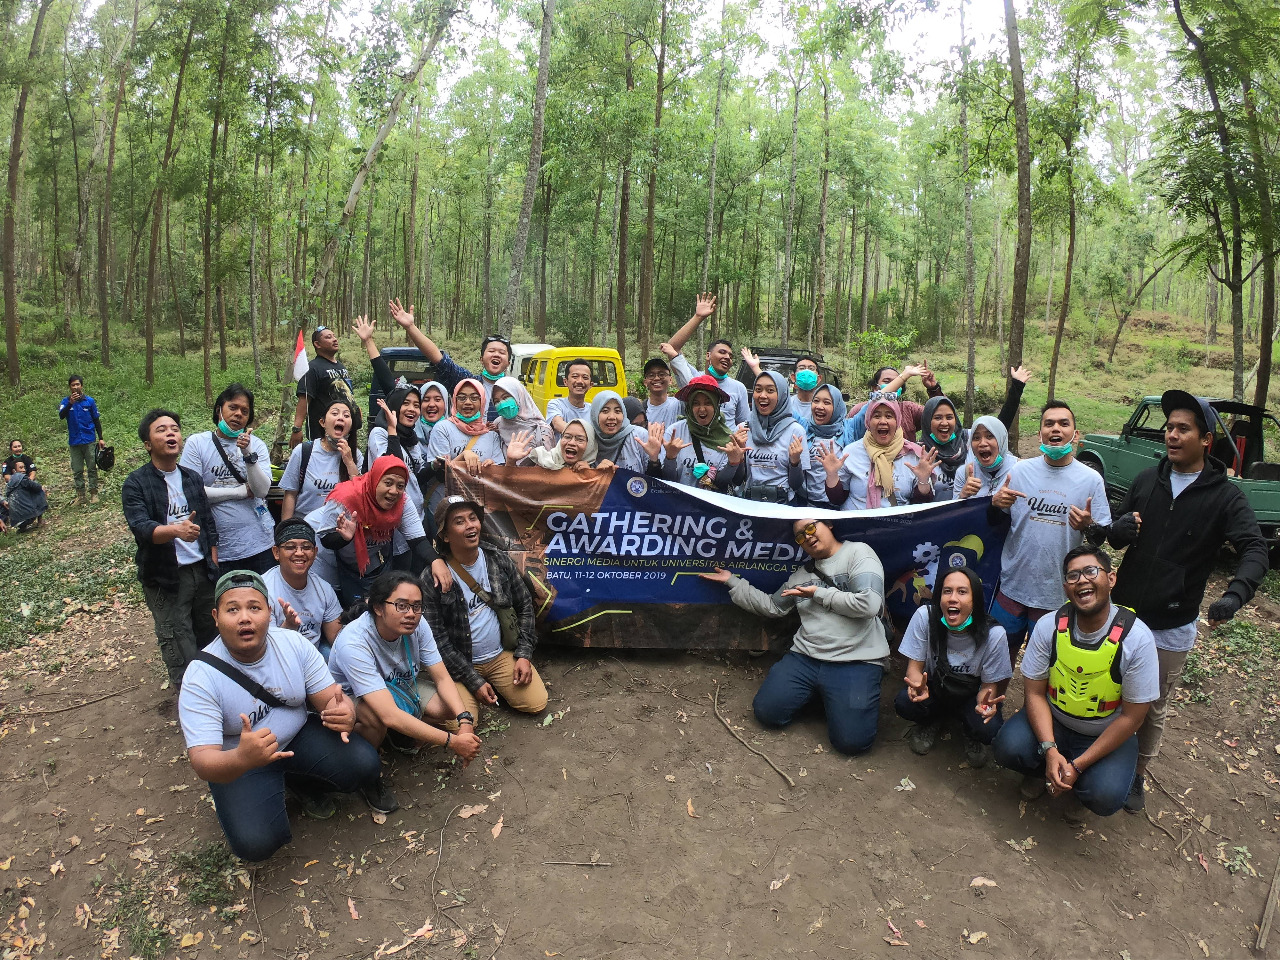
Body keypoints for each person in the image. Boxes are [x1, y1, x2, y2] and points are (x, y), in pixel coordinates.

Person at [1108, 390, 1268, 811]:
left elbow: (1254, 548)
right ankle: (1101, 757)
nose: (1172, 436)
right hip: (1122, 614)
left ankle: (1137, 776)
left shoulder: (1225, 497)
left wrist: (1235, 596)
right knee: (1108, 690)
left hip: (1171, 626)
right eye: (1169, 428)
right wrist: (1117, 531)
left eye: (1183, 429)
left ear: (1205, 440)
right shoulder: (1146, 480)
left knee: (1150, 707)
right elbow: (1115, 531)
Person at [178, 570, 379, 857]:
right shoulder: (201, 677)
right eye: (232, 609)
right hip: (241, 762)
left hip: (298, 738)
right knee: (256, 845)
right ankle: (260, 791)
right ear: (216, 617)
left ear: (269, 613)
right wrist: (241, 757)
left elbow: (331, 699)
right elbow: (202, 761)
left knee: (364, 764)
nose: (244, 617)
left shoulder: (292, 643)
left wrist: (345, 714)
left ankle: (298, 781)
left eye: (254, 607)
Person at [992, 547, 1159, 818]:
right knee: (1007, 747)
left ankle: (1079, 786)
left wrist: (1078, 766)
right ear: (1065, 587)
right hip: (1054, 720)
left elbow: (1133, 717)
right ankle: (1045, 770)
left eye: (1091, 571)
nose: (1081, 580)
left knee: (1105, 795)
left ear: (1111, 579)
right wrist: (1049, 750)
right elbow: (1033, 694)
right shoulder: (1049, 626)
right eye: (1072, 576)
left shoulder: (1137, 639)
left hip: (1105, 731)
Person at [700, 518, 888, 755]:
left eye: (811, 528)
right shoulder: (801, 575)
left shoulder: (859, 553)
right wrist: (732, 582)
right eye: (800, 536)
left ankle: (837, 700)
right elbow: (772, 606)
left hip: (856, 659)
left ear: (828, 524)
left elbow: (869, 604)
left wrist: (818, 594)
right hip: (806, 658)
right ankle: (826, 696)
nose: (807, 536)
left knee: (852, 743)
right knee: (767, 712)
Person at [329, 571, 482, 813]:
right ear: (379, 608)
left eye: (416, 606)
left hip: (399, 686)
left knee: (447, 707)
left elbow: (442, 677)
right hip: (357, 699)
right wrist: (452, 741)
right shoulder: (354, 642)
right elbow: (388, 713)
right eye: (401, 606)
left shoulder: (419, 626)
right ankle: (366, 772)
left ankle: (399, 735)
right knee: (377, 717)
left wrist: (464, 720)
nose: (411, 614)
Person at [989, 401, 1111, 663]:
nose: (1056, 429)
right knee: (998, 654)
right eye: (1049, 423)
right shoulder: (1019, 471)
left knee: (1046, 662)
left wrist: (1088, 526)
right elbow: (997, 522)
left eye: (1064, 423)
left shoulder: (1090, 480)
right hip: (1013, 585)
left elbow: (1101, 537)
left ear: (1075, 435)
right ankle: (992, 704)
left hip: (1057, 593)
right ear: (1040, 433)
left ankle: (1033, 706)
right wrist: (995, 504)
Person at [423, 496, 548, 724]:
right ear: (445, 535)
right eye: (459, 521)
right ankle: (457, 690)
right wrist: (473, 680)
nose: (470, 525)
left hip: (500, 655)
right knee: (460, 722)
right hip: (461, 664)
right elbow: (436, 639)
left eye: (473, 518)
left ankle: (498, 683)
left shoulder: (497, 559)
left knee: (536, 703)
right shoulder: (431, 578)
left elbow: (524, 605)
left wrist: (524, 654)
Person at [122, 409, 220, 692]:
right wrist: (176, 530)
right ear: (147, 444)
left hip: (201, 571)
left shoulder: (190, 477)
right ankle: (191, 697)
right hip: (165, 575)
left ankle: (218, 689)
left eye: (175, 428)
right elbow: (141, 528)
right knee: (178, 639)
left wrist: (211, 563)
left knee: (210, 632)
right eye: (161, 430)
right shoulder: (136, 483)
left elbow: (208, 524)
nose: (170, 434)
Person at [894, 566, 1011, 766]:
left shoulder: (994, 634)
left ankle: (969, 730)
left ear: (975, 600)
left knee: (989, 729)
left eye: (962, 592)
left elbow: (988, 687)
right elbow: (914, 669)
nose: (952, 598)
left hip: (970, 694)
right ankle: (932, 719)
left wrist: (984, 704)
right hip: (934, 688)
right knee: (905, 702)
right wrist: (917, 687)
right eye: (947, 591)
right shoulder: (925, 616)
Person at [305, 456, 449, 607]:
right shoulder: (344, 498)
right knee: (332, 596)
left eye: (400, 486)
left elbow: (417, 540)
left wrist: (437, 561)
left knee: (372, 598)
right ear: (375, 480)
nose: (394, 491)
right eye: (388, 483)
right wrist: (344, 538)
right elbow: (326, 540)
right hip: (325, 541)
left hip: (362, 548)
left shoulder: (403, 502)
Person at [180, 384, 275, 576]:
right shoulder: (198, 444)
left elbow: (262, 490)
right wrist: (238, 492)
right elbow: (193, 492)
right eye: (233, 407)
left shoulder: (257, 445)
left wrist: (247, 453)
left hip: (261, 543)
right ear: (219, 410)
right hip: (221, 549)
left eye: (245, 411)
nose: (238, 414)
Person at [387, 298, 512, 415]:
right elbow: (439, 360)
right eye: (491, 351)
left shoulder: (515, 391)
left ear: (508, 363)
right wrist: (410, 327)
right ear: (481, 359)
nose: (496, 354)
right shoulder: (467, 382)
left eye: (501, 352)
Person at [822, 398, 940, 509]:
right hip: (857, 526)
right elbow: (837, 500)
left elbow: (921, 505)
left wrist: (923, 480)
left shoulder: (913, 454)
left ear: (897, 421)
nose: (883, 421)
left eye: (889, 416)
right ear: (868, 421)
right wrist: (832, 475)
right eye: (876, 416)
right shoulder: (851, 452)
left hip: (899, 526)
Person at [659, 294, 751, 426]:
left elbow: (743, 422)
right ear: (708, 356)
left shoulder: (738, 387)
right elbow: (672, 348)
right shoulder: (692, 376)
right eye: (722, 352)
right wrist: (698, 317)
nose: (727, 358)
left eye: (731, 356)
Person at [262, 519, 344, 660]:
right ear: (276, 552)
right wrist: (288, 627)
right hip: (277, 660)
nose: (299, 553)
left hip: (313, 659)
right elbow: (264, 649)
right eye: (290, 547)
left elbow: (337, 638)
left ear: (315, 552)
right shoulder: (262, 590)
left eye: (306, 547)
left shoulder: (324, 589)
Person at [279, 398, 362, 521]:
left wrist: (350, 463)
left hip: (340, 531)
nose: (340, 418)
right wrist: (286, 532)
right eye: (334, 413)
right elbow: (290, 494)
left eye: (346, 415)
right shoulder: (303, 451)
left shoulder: (356, 455)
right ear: (322, 422)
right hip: (305, 531)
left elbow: (360, 497)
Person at [659, 375, 748, 491]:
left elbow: (722, 485)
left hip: (710, 506)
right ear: (689, 406)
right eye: (695, 403)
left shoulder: (728, 438)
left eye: (708, 403)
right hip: (678, 503)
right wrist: (670, 458)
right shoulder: (675, 432)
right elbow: (667, 481)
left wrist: (733, 463)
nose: (701, 409)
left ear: (716, 405)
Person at [739, 370, 808, 503]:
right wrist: (736, 459)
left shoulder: (795, 431)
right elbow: (738, 480)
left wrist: (795, 463)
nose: (762, 395)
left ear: (782, 394)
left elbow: (796, 485)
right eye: (758, 390)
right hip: (750, 505)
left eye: (770, 390)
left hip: (783, 506)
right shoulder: (744, 429)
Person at [368, 386, 431, 524]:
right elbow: (392, 467)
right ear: (395, 405)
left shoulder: (411, 438)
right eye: (405, 403)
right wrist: (392, 429)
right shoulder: (380, 433)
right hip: (391, 517)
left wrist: (434, 466)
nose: (412, 409)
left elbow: (414, 476)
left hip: (415, 514)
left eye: (416, 405)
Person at [292, 325, 358, 446]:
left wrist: (356, 409)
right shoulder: (312, 369)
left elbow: (348, 392)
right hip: (323, 434)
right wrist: (297, 428)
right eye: (328, 337)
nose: (334, 339)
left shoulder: (340, 366)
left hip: (346, 430)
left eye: (334, 336)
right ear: (317, 344)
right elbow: (304, 398)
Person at [424, 379, 506, 476]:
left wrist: (492, 467)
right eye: (462, 398)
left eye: (474, 398)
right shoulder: (443, 428)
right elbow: (440, 475)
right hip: (447, 491)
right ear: (455, 400)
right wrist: (463, 456)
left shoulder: (491, 435)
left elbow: (499, 475)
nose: (467, 402)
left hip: (478, 490)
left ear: (482, 401)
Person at [58, 374, 105, 505]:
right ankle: (81, 495)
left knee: (92, 467)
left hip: (89, 439)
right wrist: (70, 403)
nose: (75, 387)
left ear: (82, 386)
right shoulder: (65, 401)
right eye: (73, 385)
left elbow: (96, 419)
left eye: (77, 384)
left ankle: (94, 493)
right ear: (70, 387)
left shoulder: (89, 401)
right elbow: (61, 416)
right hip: (74, 441)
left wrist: (101, 438)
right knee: (77, 469)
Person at [590, 390, 662, 471]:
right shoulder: (588, 438)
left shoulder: (638, 436)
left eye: (617, 411)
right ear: (595, 414)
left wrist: (654, 459)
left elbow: (653, 481)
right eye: (605, 411)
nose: (612, 417)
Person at [802, 384, 847, 505]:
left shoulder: (849, 428)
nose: (819, 406)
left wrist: (904, 375)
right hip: (807, 504)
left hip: (838, 505)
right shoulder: (804, 427)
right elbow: (780, 400)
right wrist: (757, 370)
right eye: (816, 401)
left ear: (837, 406)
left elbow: (871, 406)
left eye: (827, 402)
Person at [954, 416, 1019, 499]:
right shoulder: (963, 473)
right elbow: (953, 511)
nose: (982, 443)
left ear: (1001, 439)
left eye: (989, 436)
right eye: (976, 438)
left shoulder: (1020, 469)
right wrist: (962, 496)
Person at [491, 375, 553, 454]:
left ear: (519, 395)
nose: (502, 404)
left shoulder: (541, 429)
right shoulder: (497, 425)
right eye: (496, 401)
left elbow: (550, 462)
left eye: (505, 397)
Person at [506, 419, 597, 472]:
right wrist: (511, 461)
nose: (571, 443)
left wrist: (589, 474)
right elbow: (512, 486)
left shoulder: (595, 470)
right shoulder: (539, 458)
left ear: (590, 445)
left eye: (580, 439)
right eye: (567, 437)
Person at [546, 358, 594, 435]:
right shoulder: (556, 405)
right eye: (575, 376)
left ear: (591, 385)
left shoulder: (594, 411)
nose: (580, 381)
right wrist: (585, 436)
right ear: (565, 382)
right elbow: (557, 423)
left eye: (585, 377)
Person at [6, 460, 48, 531]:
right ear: (14, 470)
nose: (24, 470)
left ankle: (22, 527)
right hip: (27, 516)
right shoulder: (22, 478)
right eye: (21, 468)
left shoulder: (9, 483)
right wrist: (42, 488)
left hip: (16, 520)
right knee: (41, 490)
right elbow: (37, 487)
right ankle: (40, 521)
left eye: (24, 468)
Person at [641, 357, 683, 429]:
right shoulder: (641, 411)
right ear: (645, 382)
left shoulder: (679, 405)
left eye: (662, 374)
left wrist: (675, 356)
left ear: (670, 380)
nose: (656, 378)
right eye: (651, 375)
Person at [413, 380, 450, 446]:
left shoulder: (454, 433)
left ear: (445, 404)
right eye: (426, 400)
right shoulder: (408, 434)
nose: (431, 405)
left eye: (437, 400)